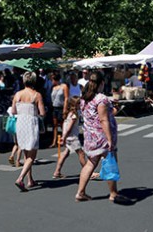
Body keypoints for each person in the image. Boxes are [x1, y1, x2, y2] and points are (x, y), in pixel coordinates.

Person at [76, 71, 127, 203]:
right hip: (101, 137)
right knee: (109, 162)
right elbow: (104, 120)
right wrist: (110, 139)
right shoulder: (101, 99)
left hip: (90, 136)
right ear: (102, 83)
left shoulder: (84, 98)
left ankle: (80, 193)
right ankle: (113, 193)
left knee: (90, 163)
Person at [11, 72, 45, 192]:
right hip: (31, 123)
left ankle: (30, 180)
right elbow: (42, 113)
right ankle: (20, 178)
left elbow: (14, 111)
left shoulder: (18, 94)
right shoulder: (36, 95)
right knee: (32, 155)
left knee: (26, 153)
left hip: (20, 123)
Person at [52, 96, 87, 179]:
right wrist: (64, 137)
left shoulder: (69, 113)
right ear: (75, 104)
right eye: (79, 103)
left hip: (68, 137)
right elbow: (69, 127)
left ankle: (57, 172)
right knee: (81, 153)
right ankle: (88, 171)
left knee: (65, 153)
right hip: (72, 137)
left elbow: (65, 125)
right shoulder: (74, 115)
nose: (80, 104)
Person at [49, 73, 68, 148]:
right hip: (55, 107)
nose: (52, 81)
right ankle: (54, 141)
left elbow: (66, 98)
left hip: (61, 107)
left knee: (63, 125)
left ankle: (64, 140)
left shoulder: (64, 86)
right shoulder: (53, 88)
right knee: (55, 125)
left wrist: (65, 109)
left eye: (52, 80)